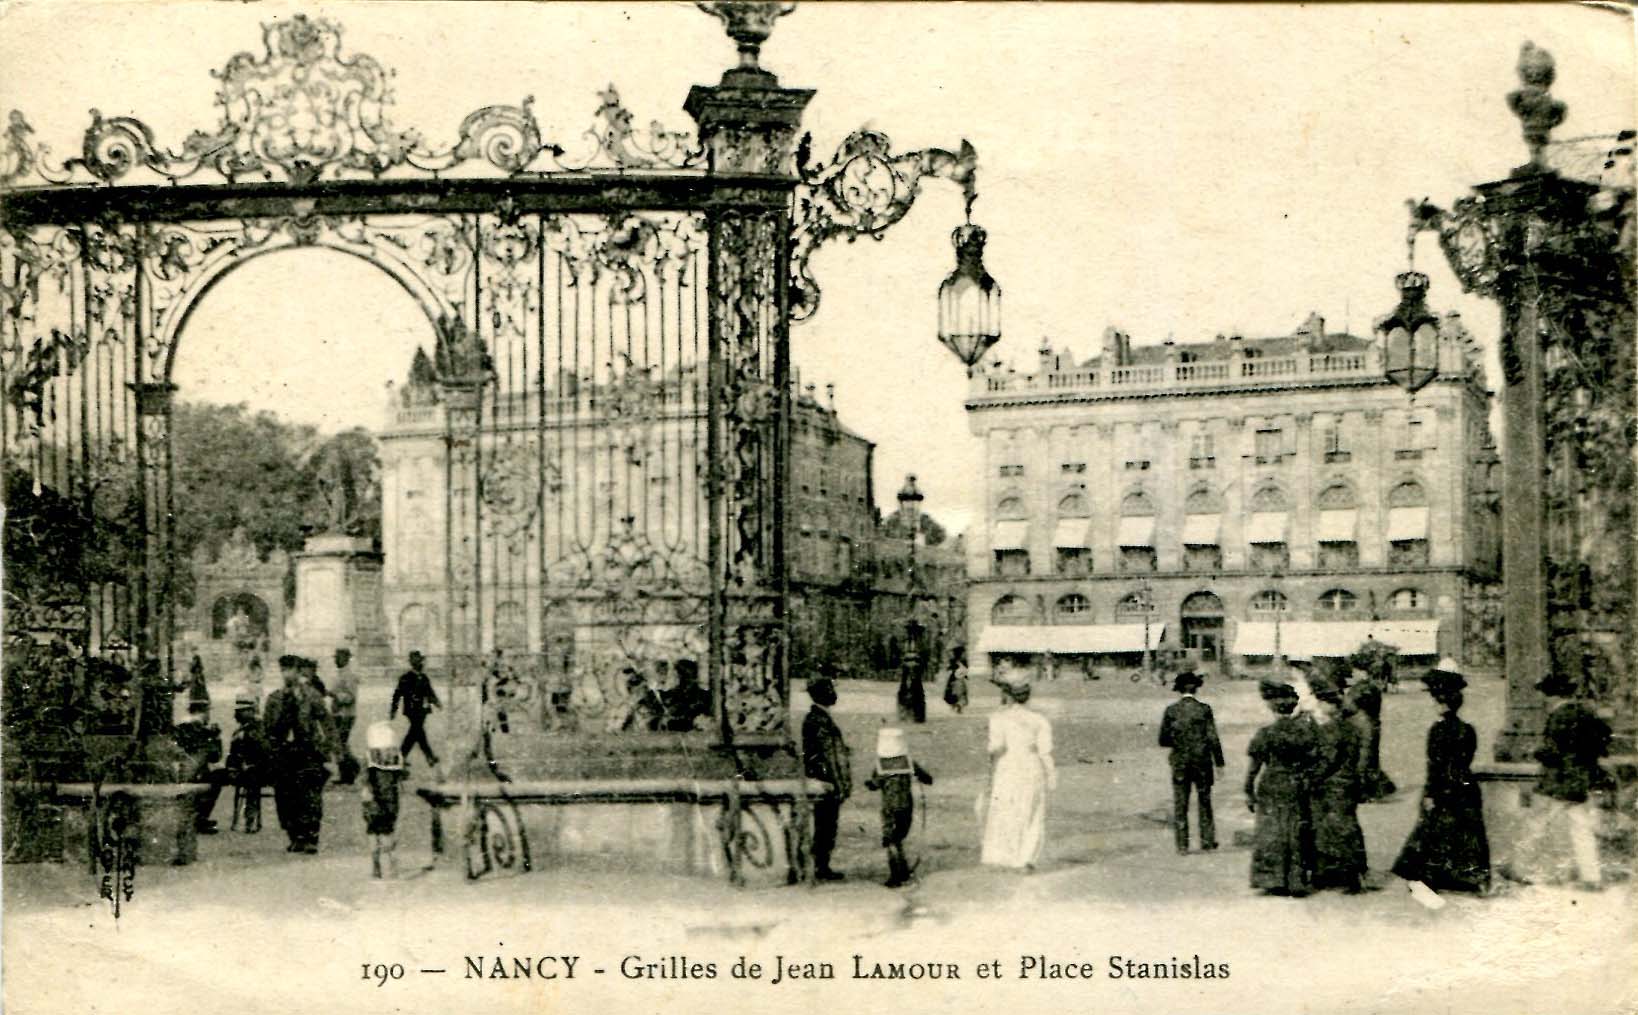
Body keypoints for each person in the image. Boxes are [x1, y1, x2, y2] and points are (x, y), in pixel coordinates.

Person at [1392, 660, 1490, 895]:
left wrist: (1430, 793)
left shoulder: (1438, 730)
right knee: (1465, 833)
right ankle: (1468, 878)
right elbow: (1462, 762)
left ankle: (1432, 878)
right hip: (1464, 786)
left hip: (1444, 787)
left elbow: (1436, 766)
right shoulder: (1468, 729)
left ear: (1440, 702)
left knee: (1435, 832)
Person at [1524, 666, 1614, 889]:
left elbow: (1554, 752)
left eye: (1545, 694)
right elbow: (1604, 737)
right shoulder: (1584, 713)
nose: (1544, 700)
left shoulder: (1558, 717)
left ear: (1553, 695)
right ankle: (1591, 877)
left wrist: (1535, 752)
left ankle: (1520, 869)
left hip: (1559, 781)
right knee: (1581, 827)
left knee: (1538, 824)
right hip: (1579, 779)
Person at [1245, 680, 1317, 897]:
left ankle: (1273, 878)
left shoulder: (1265, 733)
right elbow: (1313, 761)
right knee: (1295, 830)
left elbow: (1254, 768)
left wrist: (1248, 790)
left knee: (1272, 830)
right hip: (1296, 784)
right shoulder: (1304, 731)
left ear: (1272, 707)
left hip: (1272, 784)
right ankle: (1296, 878)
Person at [980, 676, 1056, 870]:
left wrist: (989, 754)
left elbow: (996, 746)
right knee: (1032, 811)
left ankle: (1003, 856)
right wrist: (1051, 775)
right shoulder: (1040, 720)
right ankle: (1026, 859)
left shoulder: (998, 718)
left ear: (1008, 696)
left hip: (1008, 766)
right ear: (1027, 696)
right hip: (1032, 766)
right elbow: (1045, 751)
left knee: (1006, 809)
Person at [1305, 672, 1369, 892]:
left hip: (1333, 786)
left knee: (1332, 829)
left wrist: (1313, 779)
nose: (1320, 707)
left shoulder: (1332, 730)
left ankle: (1346, 876)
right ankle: (1354, 872)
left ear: (1330, 704)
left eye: (1322, 702)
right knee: (1348, 826)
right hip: (1349, 782)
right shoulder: (1352, 727)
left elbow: (1328, 760)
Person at [265, 655, 335, 853]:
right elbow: (267, 727)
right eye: (283, 669)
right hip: (284, 752)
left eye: (291, 669)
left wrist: (331, 750)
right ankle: (295, 836)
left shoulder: (311, 695)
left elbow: (327, 723)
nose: (287, 674)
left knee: (310, 795)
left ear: (298, 671)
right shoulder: (275, 698)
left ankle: (311, 837)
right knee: (285, 796)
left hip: (307, 750)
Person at [1159, 670, 1225, 855]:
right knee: (1204, 800)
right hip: (1202, 760)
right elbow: (1213, 737)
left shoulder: (1171, 711)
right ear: (1196, 689)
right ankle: (1208, 840)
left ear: (1178, 690)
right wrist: (1219, 762)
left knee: (1181, 802)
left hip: (1180, 760)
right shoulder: (1204, 710)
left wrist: (1178, 741)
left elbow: (1163, 739)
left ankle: (1182, 845)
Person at [864, 727, 934, 888]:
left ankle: (896, 874)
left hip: (889, 807)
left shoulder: (881, 765)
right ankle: (902, 870)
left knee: (891, 839)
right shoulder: (907, 762)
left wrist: (870, 784)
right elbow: (926, 778)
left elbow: (874, 784)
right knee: (899, 836)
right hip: (906, 805)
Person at [800, 672, 852, 881]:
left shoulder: (815, 718)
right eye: (831, 690)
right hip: (826, 781)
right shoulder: (820, 720)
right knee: (826, 825)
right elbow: (830, 755)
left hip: (822, 778)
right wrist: (841, 784)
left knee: (825, 825)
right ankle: (820, 867)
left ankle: (821, 865)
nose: (834, 694)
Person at [361, 720, 407, 880]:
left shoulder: (370, 758)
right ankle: (389, 863)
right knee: (387, 831)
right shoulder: (394, 758)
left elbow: (365, 779)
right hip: (386, 800)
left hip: (374, 801)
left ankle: (377, 865)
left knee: (374, 831)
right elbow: (401, 775)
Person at [173, 714, 230, 835]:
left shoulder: (185, 730)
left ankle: (199, 818)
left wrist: (215, 738)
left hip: (191, 775)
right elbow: (215, 757)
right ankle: (198, 819)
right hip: (186, 776)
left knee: (217, 776)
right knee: (215, 778)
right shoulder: (196, 732)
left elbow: (214, 758)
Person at [225, 689, 268, 833]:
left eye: (244, 711)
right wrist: (231, 768)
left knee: (252, 777)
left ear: (252, 710)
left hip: (262, 770)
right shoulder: (238, 732)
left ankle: (250, 819)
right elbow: (232, 754)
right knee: (216, 776)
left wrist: (248, 737)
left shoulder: (261, 728)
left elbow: (265, 751)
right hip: (241, 770)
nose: (240, 714)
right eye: (239, 711)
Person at [391, 650, 441, 768]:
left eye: (420, 660)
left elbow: (429, 692)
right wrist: (393, 709)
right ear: (412, 662)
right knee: (416, 732)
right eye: (416, 660)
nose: (420, 663)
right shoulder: (406, 677)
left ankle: (402, 757)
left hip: (422, 709)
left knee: (416, 733)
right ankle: (428, 756)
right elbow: (397, 694)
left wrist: (436, 702)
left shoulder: (423, 677)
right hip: (412, 710)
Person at [330, 648, 360, 785]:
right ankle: (349, 771)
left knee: (340, 744)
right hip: (338, 714)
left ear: (346, 658)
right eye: (336, 657)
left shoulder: (350, 675)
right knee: (340, 744)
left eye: (338, 657)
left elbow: (351, 697)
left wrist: (335, 696)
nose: (335, 659)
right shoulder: (340, 673)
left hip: (346, 715)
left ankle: (350, 771)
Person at [897, 628, 927, 724]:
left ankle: (911, 713)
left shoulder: (910, 643)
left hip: (911, 669)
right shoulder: (918, 643)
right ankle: (915, 714)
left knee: (910, 689)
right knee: (914, 690)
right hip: (912, 669)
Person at [943, 646, 970, 714]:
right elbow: (966, 669)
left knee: (954, 693)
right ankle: (958, 706)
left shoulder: (953, 660)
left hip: (954, 679)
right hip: (958, 679)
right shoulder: (962, 661)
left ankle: (956, 706)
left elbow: (948, 668)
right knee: (960, 693)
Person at [186, 654, 211, 721]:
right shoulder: (193, 673)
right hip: (194, 695)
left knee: (199, 711)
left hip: (199, 695)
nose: (193, 662)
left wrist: (199, 679)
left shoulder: (199, 672)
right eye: (193, 660)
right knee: (194, 712)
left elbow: (202, 684)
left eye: (195, 660)